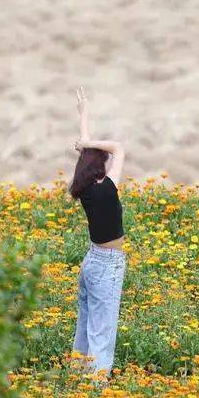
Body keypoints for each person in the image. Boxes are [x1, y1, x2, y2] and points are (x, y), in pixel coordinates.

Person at [68, 87, 126, 380]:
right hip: (108, 264)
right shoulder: (108, 188)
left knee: (85, 327)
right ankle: (96, 392)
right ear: (101, 167)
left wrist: (84, 115)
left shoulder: (87, 189)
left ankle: (76, 380)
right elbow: (118, 147)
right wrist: (88, 140)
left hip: (91, 262)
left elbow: (88, 157)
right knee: (103, 333)